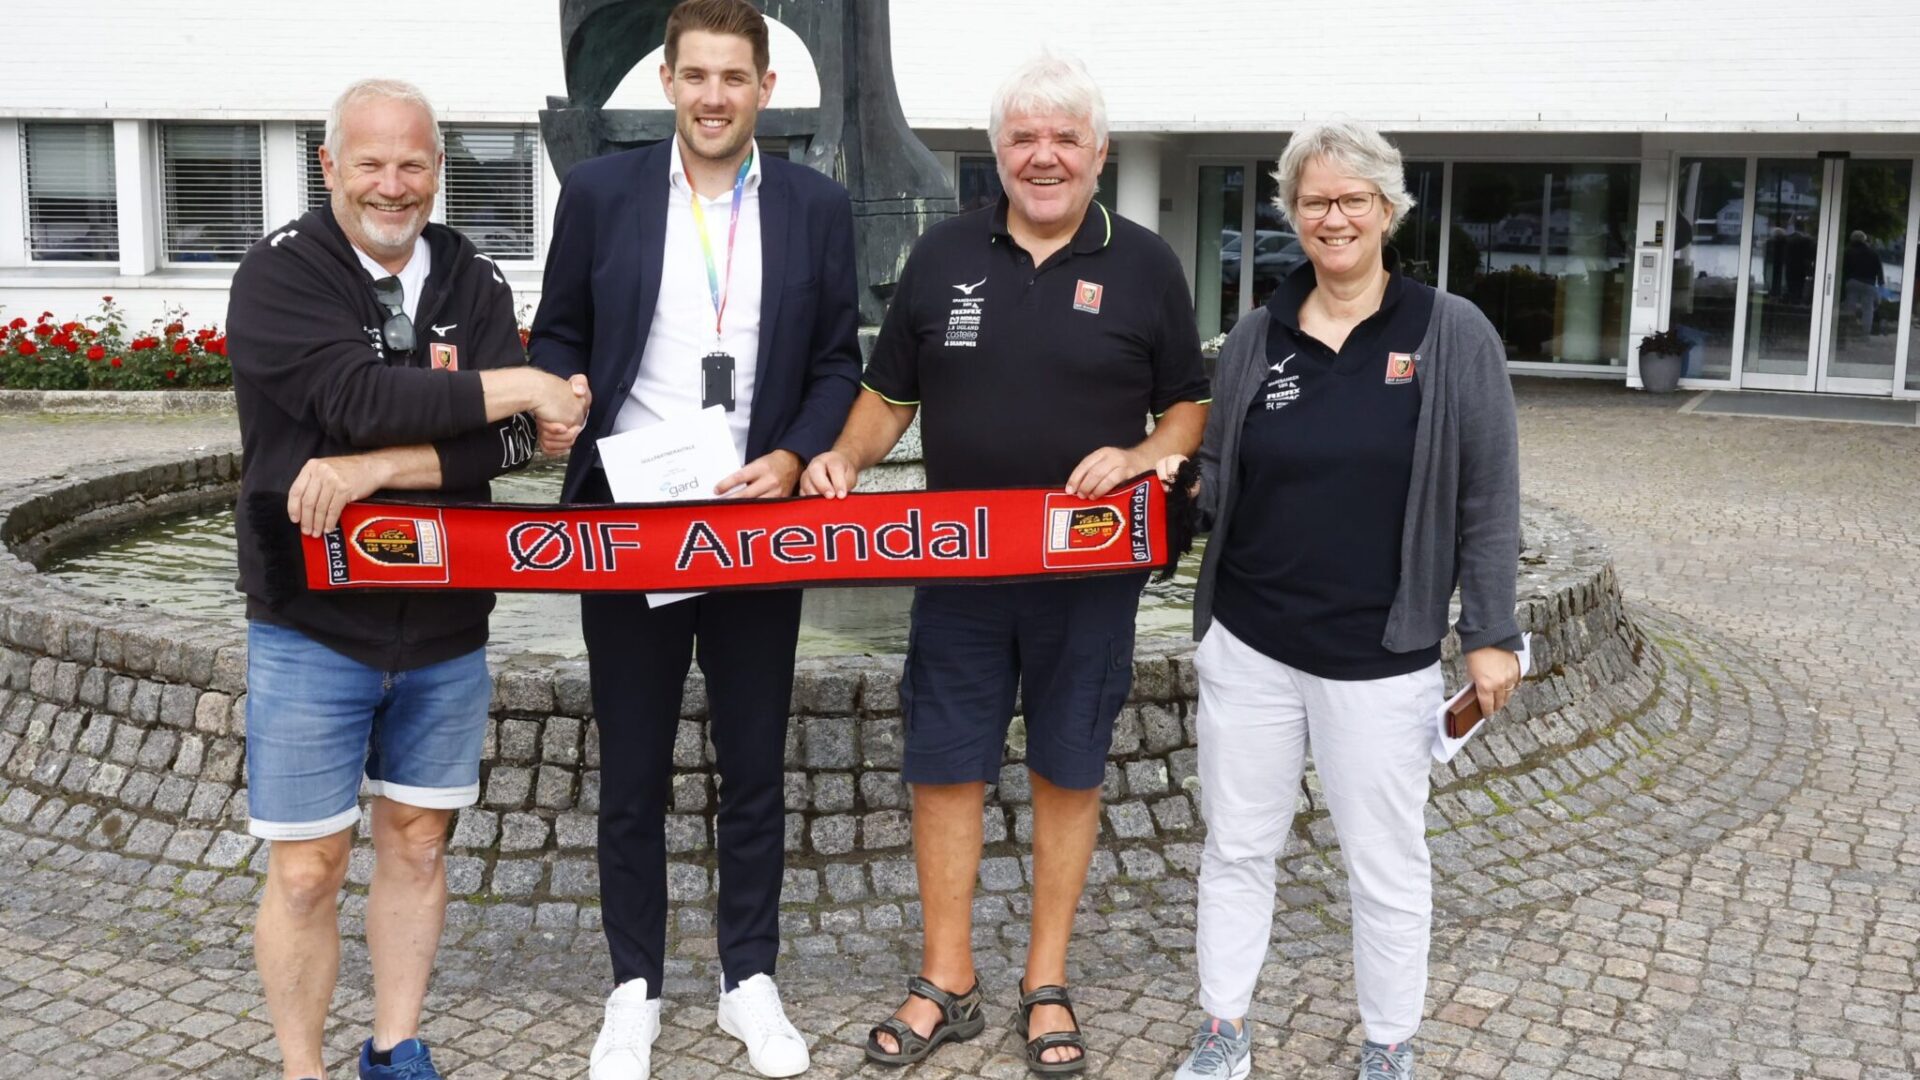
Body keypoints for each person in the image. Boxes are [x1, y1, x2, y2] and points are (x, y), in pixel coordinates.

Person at [803, 52, 1209, 1075]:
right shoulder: (944, 254)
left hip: (1091, 578)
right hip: (962, 572)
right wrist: (846, 458)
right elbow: (890, 396)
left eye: (1065, 137)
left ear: (1098, 154)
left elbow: (1188, 407)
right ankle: (949, 979)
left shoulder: (1147, 265)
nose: (1044, 156)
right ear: (998, 152)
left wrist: (1145, 455)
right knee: (945, 768)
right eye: (1024, 137)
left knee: (1069, 768)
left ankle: (1046, 981)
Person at [228, 78, 590, 1080]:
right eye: (371, 163)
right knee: (309, 868)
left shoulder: (472, 278)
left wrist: (375, 470)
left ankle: (395, 1048)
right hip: (312, 623)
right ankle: (303, 1070)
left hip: (445, 626)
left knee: (420, 843)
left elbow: (510, 446)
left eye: (413, 164)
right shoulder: (279, 273)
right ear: (329, 166)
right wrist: (520, 382)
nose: (392, 185)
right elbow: (354, 398)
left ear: (437, 170)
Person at [526, 2, 861, 1076]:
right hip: (631, 523)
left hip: (756, 525)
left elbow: (838, 362)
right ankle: (634, 987)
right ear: (667, 81)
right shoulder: (599, 194)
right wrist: (563, 390)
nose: (715, 97)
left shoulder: (816, 206)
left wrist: (798, 455)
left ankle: (747, 979)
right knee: (632, 769)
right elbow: (561, 331)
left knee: (752, 766)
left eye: (735, 77)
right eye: (698, 75)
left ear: (765, 88)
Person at [1156, 120, 1522, 1080]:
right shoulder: (1256, 335)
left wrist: (1491, 631)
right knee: (1238, 847)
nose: (1334, 218)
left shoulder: (1451, 332)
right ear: (1291, 213)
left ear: (1388, 209)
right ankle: (1224, 1029)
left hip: (1380, 655)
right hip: (1251, 643)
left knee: (1385, 862)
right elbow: (1222, 474)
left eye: (1353, 199)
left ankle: (1389, 1043)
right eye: (1315, 201)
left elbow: (1489, 496)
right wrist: (1176, 491)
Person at [1841, 228, 1884, 341]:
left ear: (1852, 239)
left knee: (1850, 307)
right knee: (1868, 309)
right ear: (1864, 240)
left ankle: (1847, 331)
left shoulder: (1848, 251)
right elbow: (1879, 269)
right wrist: (1881, 283)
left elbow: (1843, 268)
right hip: (1869, 283)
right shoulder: (1873, 253)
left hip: (1853, 281)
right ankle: (1865, 334)